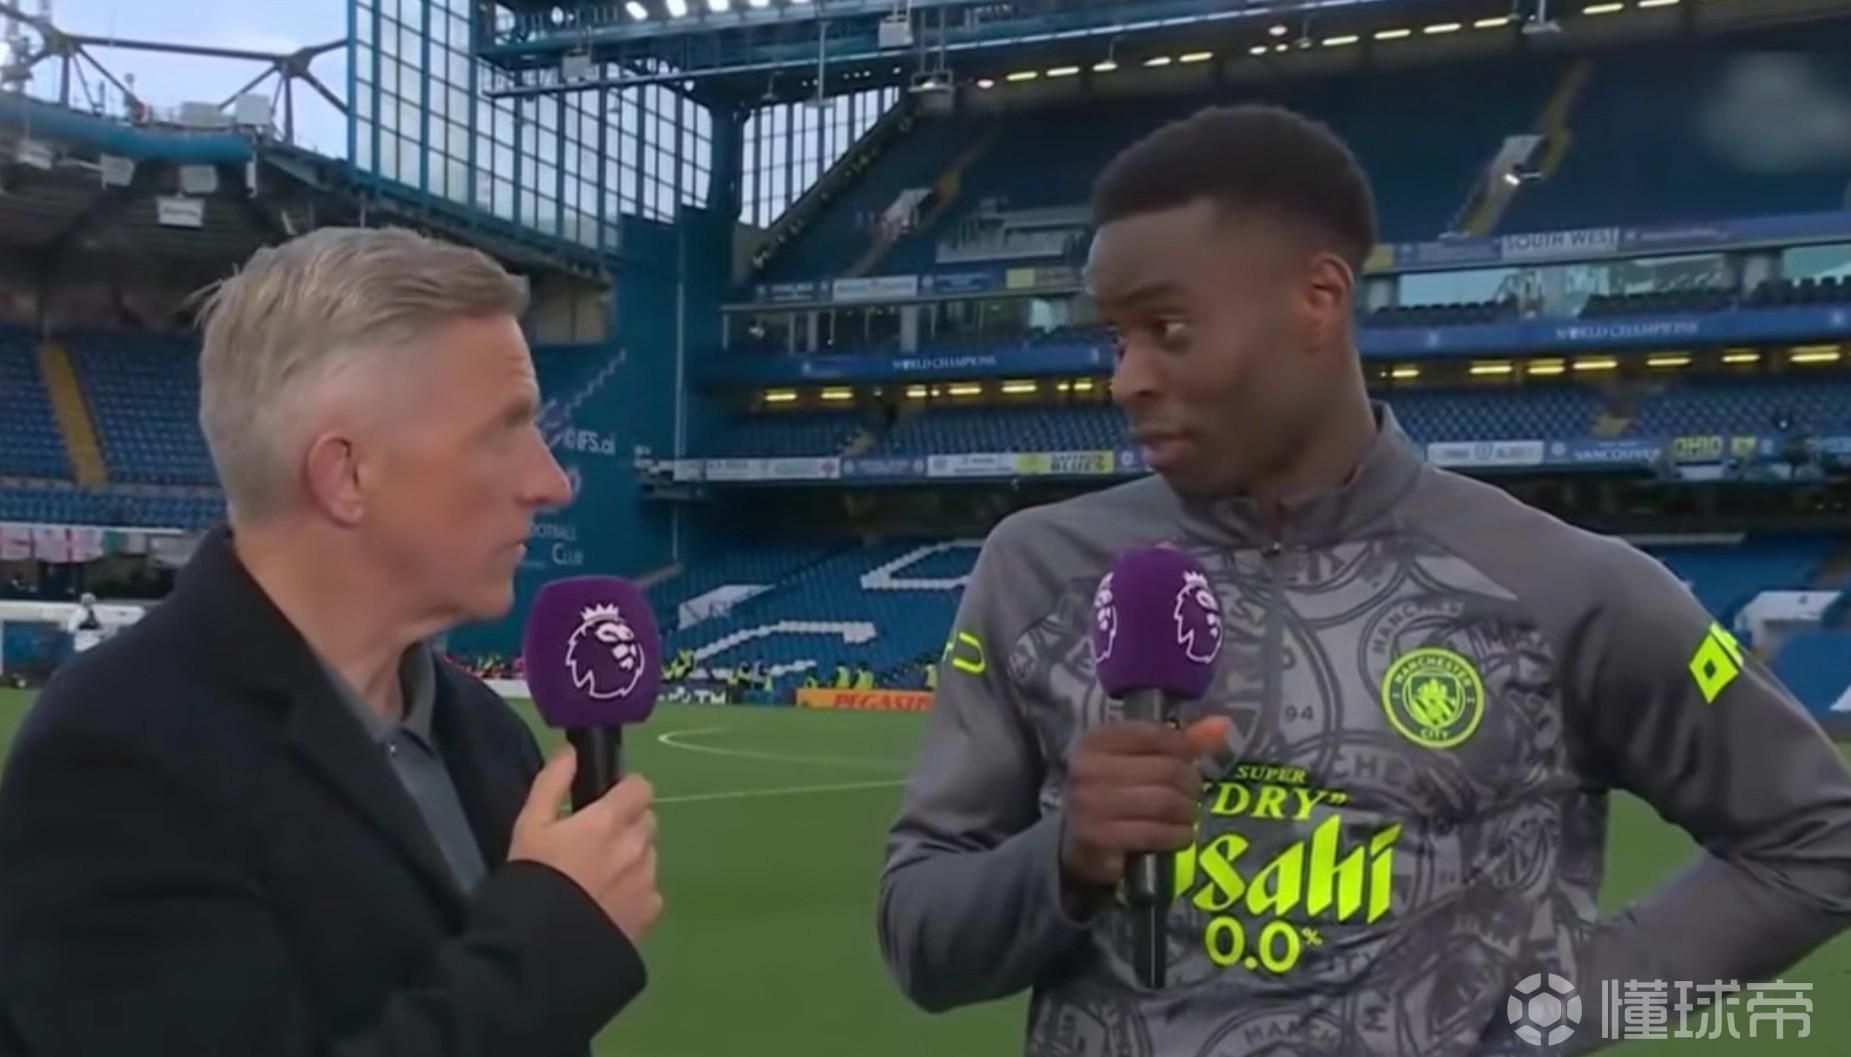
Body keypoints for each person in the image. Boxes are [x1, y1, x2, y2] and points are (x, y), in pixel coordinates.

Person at [876, 105, 1851, 1056]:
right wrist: (1065, 856)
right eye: (1115, 339)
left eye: (1167, 328)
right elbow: (920, 938)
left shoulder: (1565, 587)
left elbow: (1816, 839)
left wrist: (1548, 1019)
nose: (1125, 378)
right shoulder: (1039, 568)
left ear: (1317, 299)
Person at [0, 228, 662, 1056]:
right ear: (345, 475)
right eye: (503, 432)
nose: (551, 482)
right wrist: (551, 943)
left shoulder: (489, 734)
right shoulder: (114, 760)